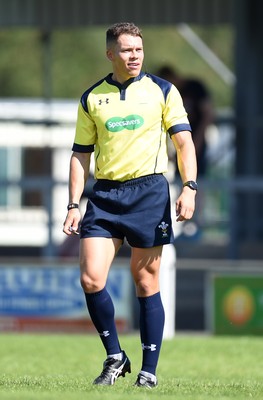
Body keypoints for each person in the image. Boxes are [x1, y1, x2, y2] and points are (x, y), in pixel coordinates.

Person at [63, 22, 197, 388]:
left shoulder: (163, 91)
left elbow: (184, 144)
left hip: (149, 192)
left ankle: (148, 372)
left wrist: (189, 187)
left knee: (144, 280)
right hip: (105, 195)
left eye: (138, 49)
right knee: (91, 278)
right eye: (126, 50)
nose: (134, 56)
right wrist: (73, 204)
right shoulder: (92, 98)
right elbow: (79, 155)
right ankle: (115, 356)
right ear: (110, 54)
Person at [157, 65, 214, 176]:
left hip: (196, 139)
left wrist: (198, 140)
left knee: (198, 178)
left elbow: (208, 114)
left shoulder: (194, 87)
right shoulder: (169, 96)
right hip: (180, 142)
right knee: (182, 176)